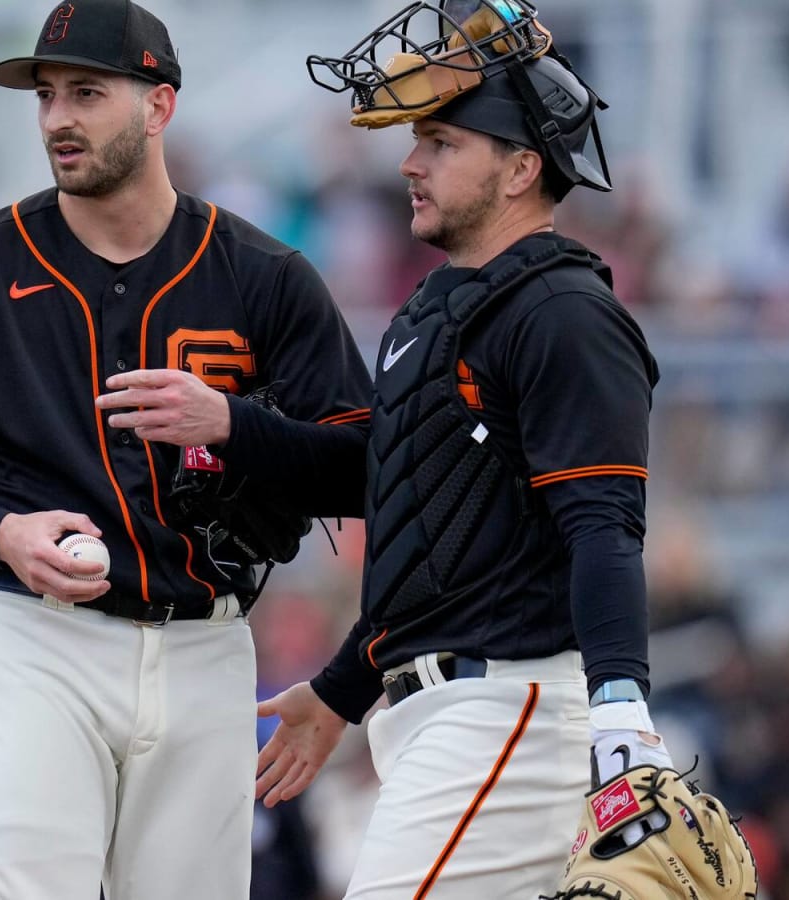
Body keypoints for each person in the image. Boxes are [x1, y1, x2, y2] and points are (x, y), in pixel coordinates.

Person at [0, 1, 372, 896]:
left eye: (87, 92)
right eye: (46, 95)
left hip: (207, 647)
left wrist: (235, 425)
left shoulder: (262, 276)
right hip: (33, 641)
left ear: (158, 105)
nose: (58, 118)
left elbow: (368, 467)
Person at [250, 2, 672, 896]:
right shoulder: (437, 312)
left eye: (442, 141)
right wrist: (338, 692)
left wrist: (622, 711)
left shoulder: (563, 314)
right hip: (444, 717)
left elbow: (604, 528)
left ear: (521, 167)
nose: (410, 161)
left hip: (510, 714)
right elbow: (422, 533)